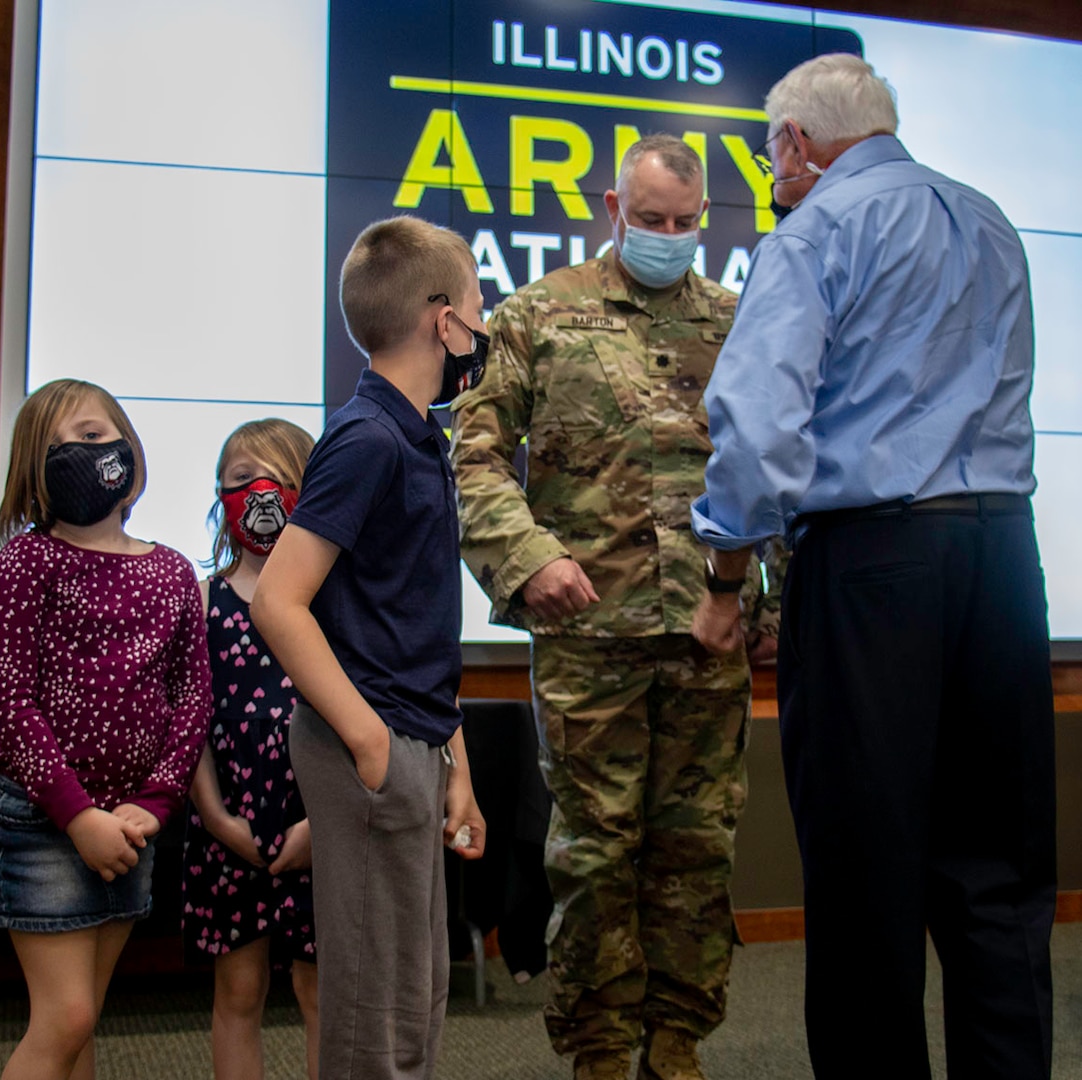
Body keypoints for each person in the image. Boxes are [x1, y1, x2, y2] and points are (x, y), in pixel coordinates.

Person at [690, 53, 1056, 1080]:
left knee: (865, 886)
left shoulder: (813, 230)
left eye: (771, 153)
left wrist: (725, 582)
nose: (771, 173)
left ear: (797, 146)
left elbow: (757, 433)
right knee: (999, 882)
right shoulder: (987, 218)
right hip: (1001, 562)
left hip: (872, 569)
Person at [451, 133, 769, 1080]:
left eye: (685, 222)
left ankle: (678, 1048)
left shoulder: (738, 320)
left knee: (696, 854)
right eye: (651, 219)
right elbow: (471, 455)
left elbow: (773, 468)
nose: (669, 236)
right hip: (590, 635)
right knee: (594, 858)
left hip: (710, 632)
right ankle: (595, 1052)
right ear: (611, 206)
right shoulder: (541, 315)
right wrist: (529, 556)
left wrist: (763, 602)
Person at [251, 215, 488, 1080]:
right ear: (442, 320)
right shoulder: (367, 437)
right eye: (476, 303)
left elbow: (408, 627)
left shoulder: (419, 433)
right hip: (374, 747)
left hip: (411, 739)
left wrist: (453, 762)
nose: (482, 323)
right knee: (372, 1023)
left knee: (413, 997)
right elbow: (280, 600)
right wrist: (368, 739)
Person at [0, 378, 212, 1080]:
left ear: (129, 449)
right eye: (58, 447)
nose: (81, 454)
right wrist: (78, 815)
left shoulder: (172, 572)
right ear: (33, 469)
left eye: (92, 436)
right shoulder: (25, 563)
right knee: (67, 1017)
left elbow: (191, 695)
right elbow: (10, 704)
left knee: (81, 1024)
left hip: (133, 826)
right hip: (44, 823)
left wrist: (159, 800)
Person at [182, 418, 319, 1080]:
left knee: (321, 993)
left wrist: (321, 825)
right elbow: (191, 724)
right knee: (238, 994)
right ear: (218, 495)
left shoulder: (333, 602)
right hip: (230, 826)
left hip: (320, 825)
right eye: (242, 479)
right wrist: (214, 817)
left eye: (280, 479)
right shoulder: (202, 601)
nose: (260, 494)